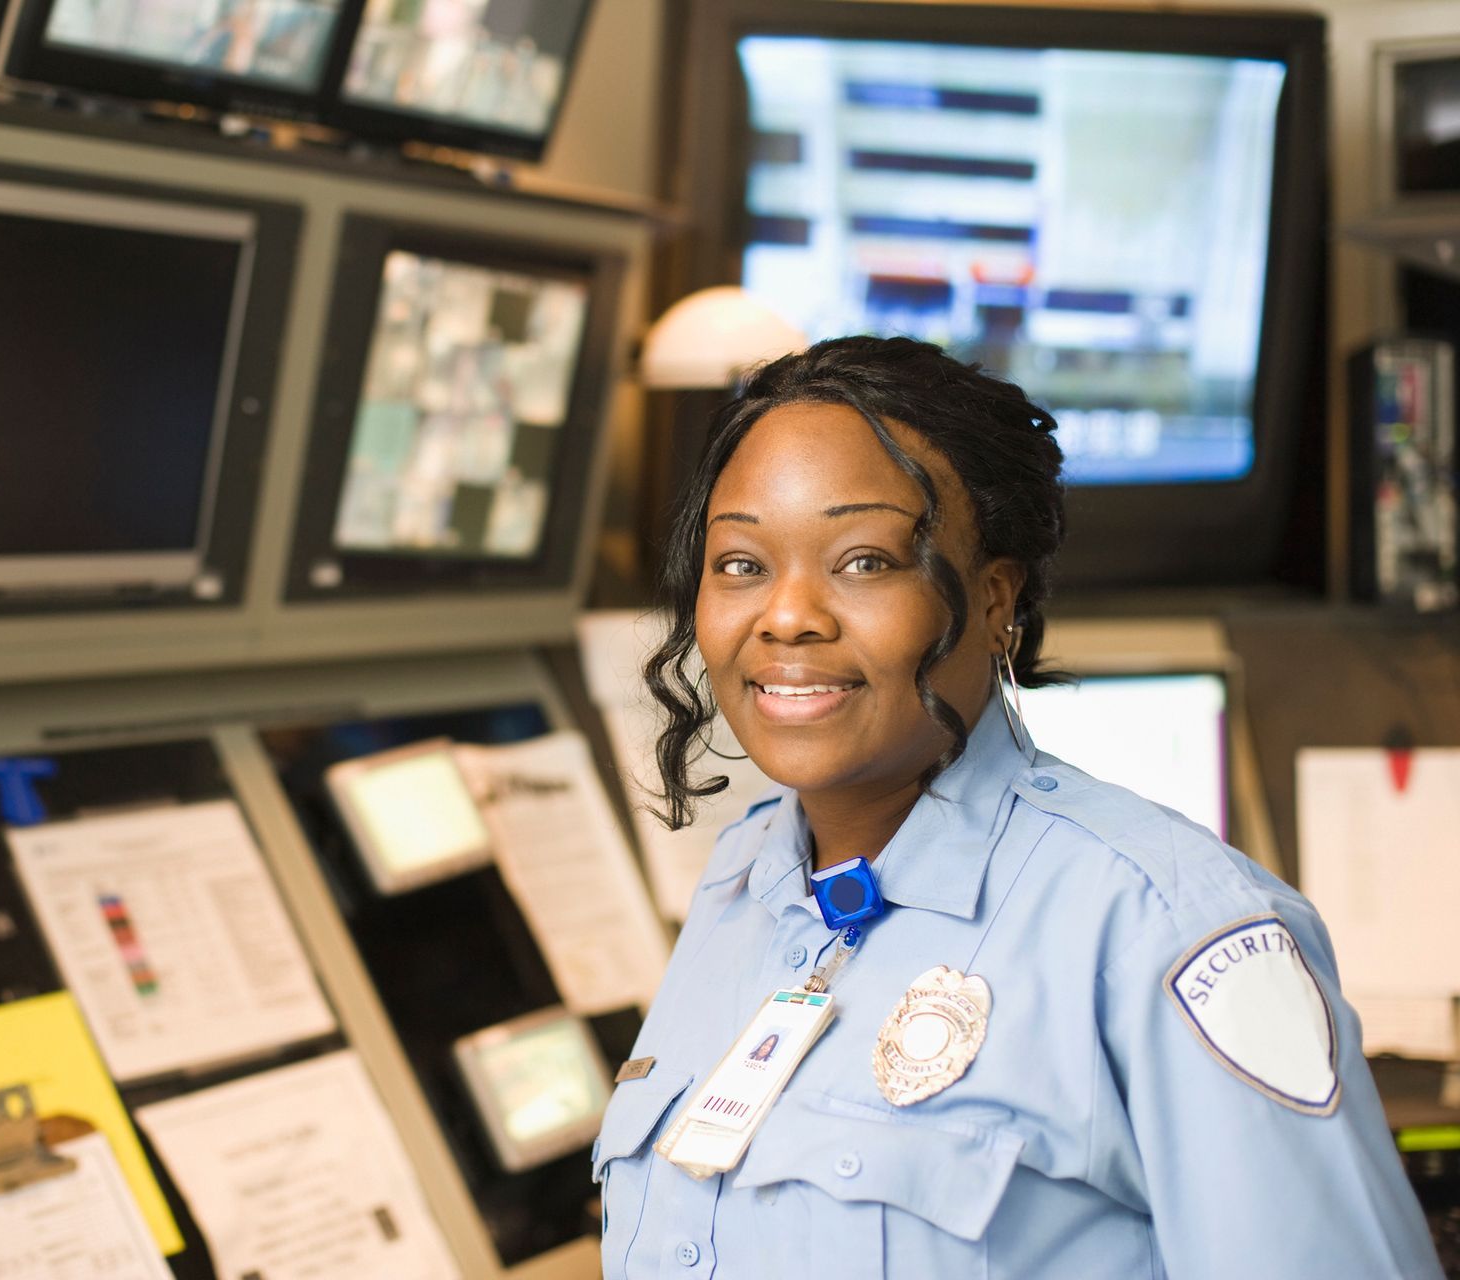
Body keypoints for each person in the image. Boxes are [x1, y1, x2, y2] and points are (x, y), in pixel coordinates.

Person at [596, 336, 1441, 1277]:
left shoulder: (1169, 928)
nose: (788, 615)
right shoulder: (739, 884)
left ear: (998, 600)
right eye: (742, 564)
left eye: (866, 561)